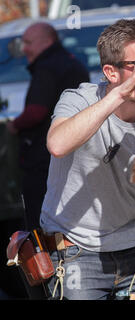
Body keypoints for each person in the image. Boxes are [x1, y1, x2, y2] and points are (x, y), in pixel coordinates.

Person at [38, 19, 135, 300]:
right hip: (77, 252)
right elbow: (57, 144)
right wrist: (122, 93)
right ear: (110, 72)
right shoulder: (79, 99)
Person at [6, 22, 90, 231]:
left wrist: (14, 125)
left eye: (28, 42)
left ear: (46, 41)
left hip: (42, 160)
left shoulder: (47, 67)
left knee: (38, 224)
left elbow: (36, 111)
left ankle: (46, 263)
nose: (24, 48)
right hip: (76, 156)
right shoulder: (74, 64)